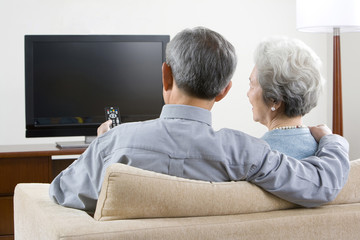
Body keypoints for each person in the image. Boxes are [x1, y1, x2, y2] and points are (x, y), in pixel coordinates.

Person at [49, 27, 349, 213]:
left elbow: (61, 191)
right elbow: (321, 185)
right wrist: (331, 140)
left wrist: (103, 141)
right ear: (224, 91)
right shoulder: (247, 152)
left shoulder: (116, 142)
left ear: (166, 74)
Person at [247, 37, 323, 158]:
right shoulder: (329, 151)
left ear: (275, 100)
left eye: (251, 85)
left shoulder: (254, 156)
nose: (248, 93)